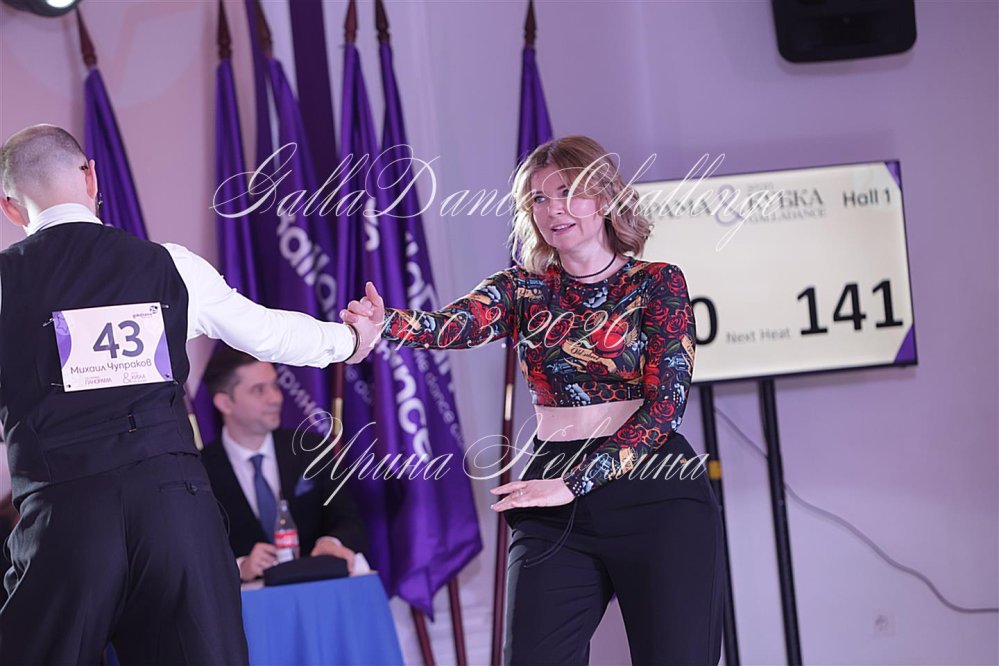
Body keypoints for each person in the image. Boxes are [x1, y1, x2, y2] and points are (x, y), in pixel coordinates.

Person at [0, 124, 381, 665]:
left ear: (10, 207)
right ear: (91, 178)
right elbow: (266, 332)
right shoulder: (170, 264)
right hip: (175, 512)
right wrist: (350, 340)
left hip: (66, 520)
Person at [343, 135, 724, 665]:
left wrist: (574, 482)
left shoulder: (657, 283)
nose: (553, 209)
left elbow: (665, 410)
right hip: (551, 490)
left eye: (568, 192)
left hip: (654, 491)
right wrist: (385, 322)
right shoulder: (521, 288)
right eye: (539, 199)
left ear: (605, 197)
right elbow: (451, 325)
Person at [200, 346, 369, 581]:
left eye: (275, 385)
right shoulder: (198, 471)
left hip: (316, 588)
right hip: (246, 601)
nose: (275, 398)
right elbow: (192, 552)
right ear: (225, 403)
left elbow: (350, 521)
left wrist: (331, 542)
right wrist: (238, 567)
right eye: (259, 390)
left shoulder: (311, 449)